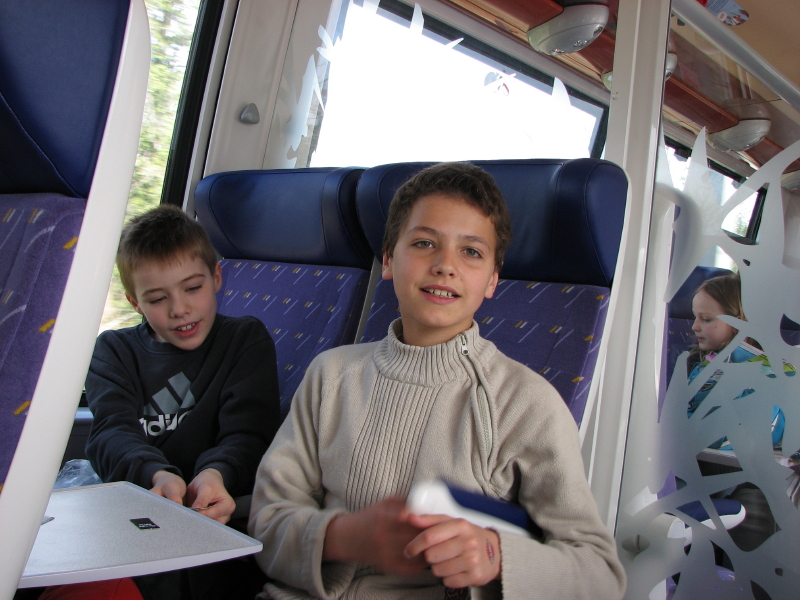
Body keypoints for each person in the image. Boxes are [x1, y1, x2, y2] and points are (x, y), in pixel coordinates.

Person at [248, 162, 626, 599]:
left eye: (471, 252)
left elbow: (601, 575)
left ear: (492, 280)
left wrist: (494, 556)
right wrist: (344, 537)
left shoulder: (526, 405)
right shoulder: (330, 376)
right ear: (388, 260)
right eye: (424, 243)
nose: (446, 265)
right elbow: (266, 520)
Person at [43, 205, 281, 600]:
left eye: (193, 288)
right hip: (132, 513)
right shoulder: (113, 351)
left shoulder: (244, 340)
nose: (179, 309)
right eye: (157, 298)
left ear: (216, 277)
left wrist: (217, 474)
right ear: (134, 302)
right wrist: (155, 475)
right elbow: (111, 432)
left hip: (213, 520)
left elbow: (250, 433)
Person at [686, 272, 792, 450]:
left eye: (706, 319)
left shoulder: (766, 379)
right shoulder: (708, 365)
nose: (694, 326)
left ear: (739, 324)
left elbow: (723, 438)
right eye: (695, 317)